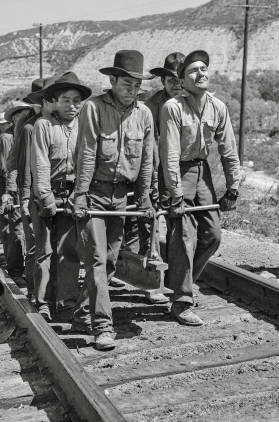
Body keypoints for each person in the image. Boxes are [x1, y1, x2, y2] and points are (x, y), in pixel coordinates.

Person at [72, 50, 155, 350]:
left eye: (137, 86)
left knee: (108, 261)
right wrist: (80, 194)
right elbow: (86, 154)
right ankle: (102, 327)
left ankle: (82, 311)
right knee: (96, 258)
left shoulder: (144, 115)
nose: (132, 91)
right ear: (112, 80)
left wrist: (144, 199)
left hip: (121, 196)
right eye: (126, 85)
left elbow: (147, 161)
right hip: (94, 191)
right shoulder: (93, 108)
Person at [160, 50, 241, 326]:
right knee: (184, 235)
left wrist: (233, 188)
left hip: (202, 171)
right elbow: (169, 154)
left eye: (204, 68)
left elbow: (229, 150)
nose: (201, 73)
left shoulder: (218, 107)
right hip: (178, 173)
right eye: (193, 70)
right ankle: (181, 301)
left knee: (213, 234)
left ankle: (178, 282)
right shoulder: (173, 107)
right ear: (182, 80)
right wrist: (175, 193)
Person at [123, 52, 186, 304]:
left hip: (184, 175)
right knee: (151, 225)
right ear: (163, 81)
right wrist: (153, 186)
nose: (176, 85)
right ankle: (153, 282)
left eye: (180, 80)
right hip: (154, 174)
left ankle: (178, 280)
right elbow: (150, 151)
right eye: (171, 80)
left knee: (180, 229)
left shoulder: (192, 103)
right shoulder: (151, 106)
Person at [31, 72, 92, 321]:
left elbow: (87, 163)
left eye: (76, 100)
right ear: (55, 101)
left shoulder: (84, 128)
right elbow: (40, 163)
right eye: (66, 100)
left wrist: (80, 195)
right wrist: (45, 199)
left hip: (72, 195)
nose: (72, 105)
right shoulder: (43, 126)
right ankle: (42, 301)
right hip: (46, 194)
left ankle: (66, 301)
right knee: (44, 251)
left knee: (68, 251)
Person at [2, 78, 57, 300]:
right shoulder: (28, 126)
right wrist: (20, 194)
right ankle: (36, 293)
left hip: (55, 190)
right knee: (35, 244)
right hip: (33, 191)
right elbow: (18, 162)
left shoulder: (60, 123)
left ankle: (53, 293)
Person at [0, 102, 32, 283]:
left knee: (20, 226)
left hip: (21, 183)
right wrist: (12, 190)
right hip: (10, 183)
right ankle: (16, 271)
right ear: (16, 118)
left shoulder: (25, 133)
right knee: (14, 226)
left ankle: (20, 267)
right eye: (23, 116)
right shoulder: (8, 138)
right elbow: (6, 167)